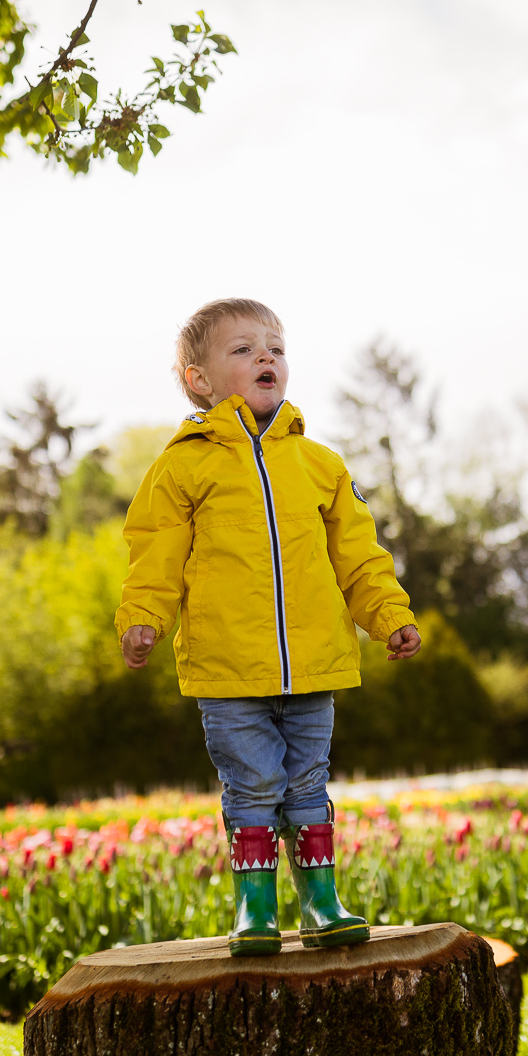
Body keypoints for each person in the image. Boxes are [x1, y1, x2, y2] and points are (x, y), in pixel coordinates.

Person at [117, 298, 421, 956]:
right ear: (198, 379)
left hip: (314, 666)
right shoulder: (183, 466)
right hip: (229, 674)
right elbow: (156, 555)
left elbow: (358, 554)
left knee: (308, 785)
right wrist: (143, 617)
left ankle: (320, 902)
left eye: (276, 348)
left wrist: (388, 615)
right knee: (253, 787)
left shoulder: (319, 464)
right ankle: (255, 911)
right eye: (245, 348)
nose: (266, 358)